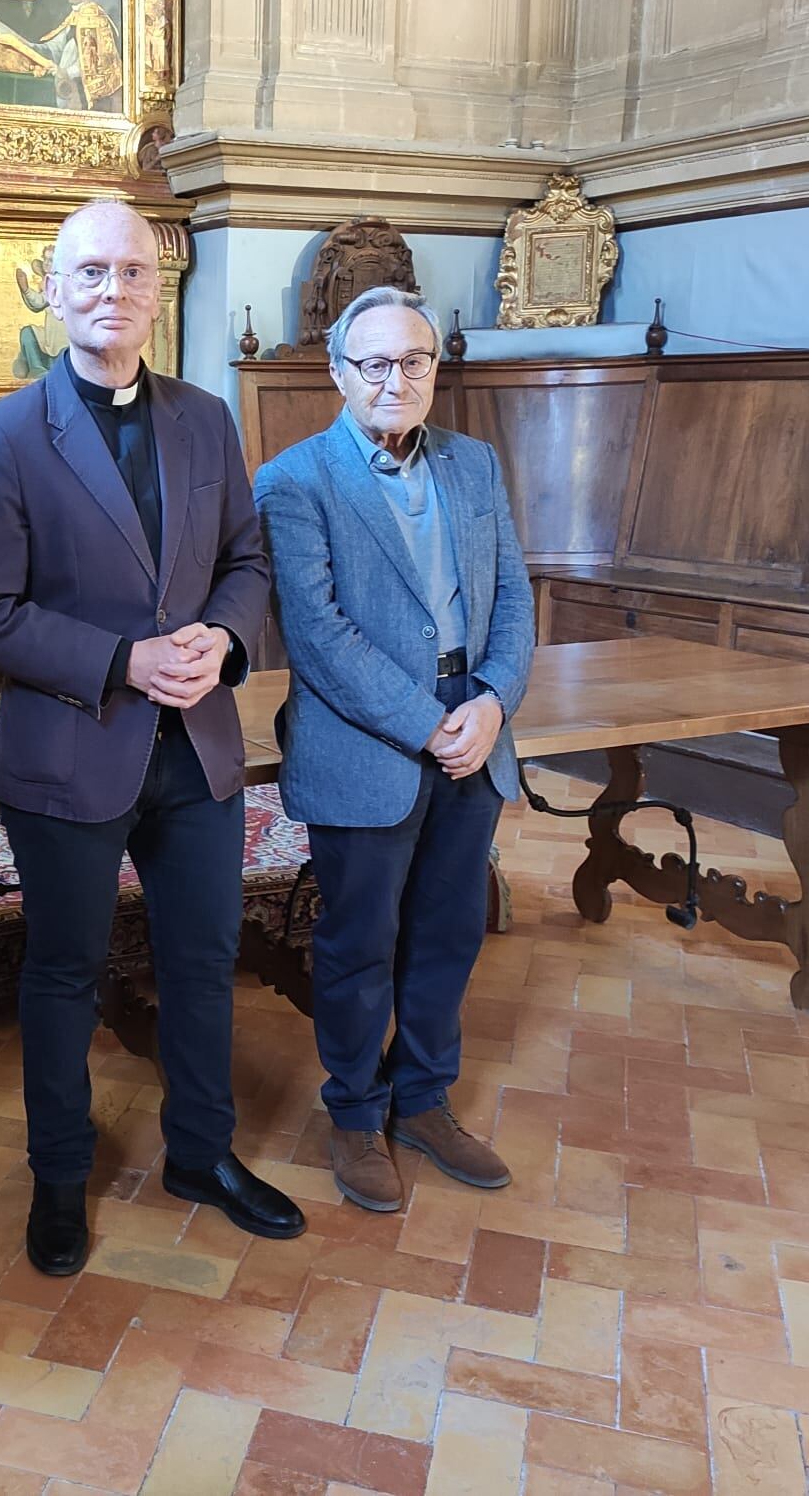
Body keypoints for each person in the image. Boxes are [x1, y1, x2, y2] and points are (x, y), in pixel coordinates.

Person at [0, 200, 305, 1278]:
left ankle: (201, 1152)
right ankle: (58, 1171)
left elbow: (246, 561)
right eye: (90, 272)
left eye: (134, 272)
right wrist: (120, 661)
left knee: (202, 962)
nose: (114, 291)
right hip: (68, 745)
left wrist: (222, 638)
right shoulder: (8, 433)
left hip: (194, 747)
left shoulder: (204, 420)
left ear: (159, 291)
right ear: (50, 289)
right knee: (63, 968)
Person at [254, 286, 535, 1215]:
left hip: (474, 729)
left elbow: (515, 602)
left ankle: (422, 1099)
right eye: (373, 363)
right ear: (339, 373)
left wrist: (492, 701)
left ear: (435, 369)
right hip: (366, 741)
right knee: (358, 945)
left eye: (413, 361)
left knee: (450, 932)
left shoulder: (475, 464)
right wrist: (426, 723)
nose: (395, 379)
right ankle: (355, 1113)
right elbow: (319, 636)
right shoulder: (294, 481)